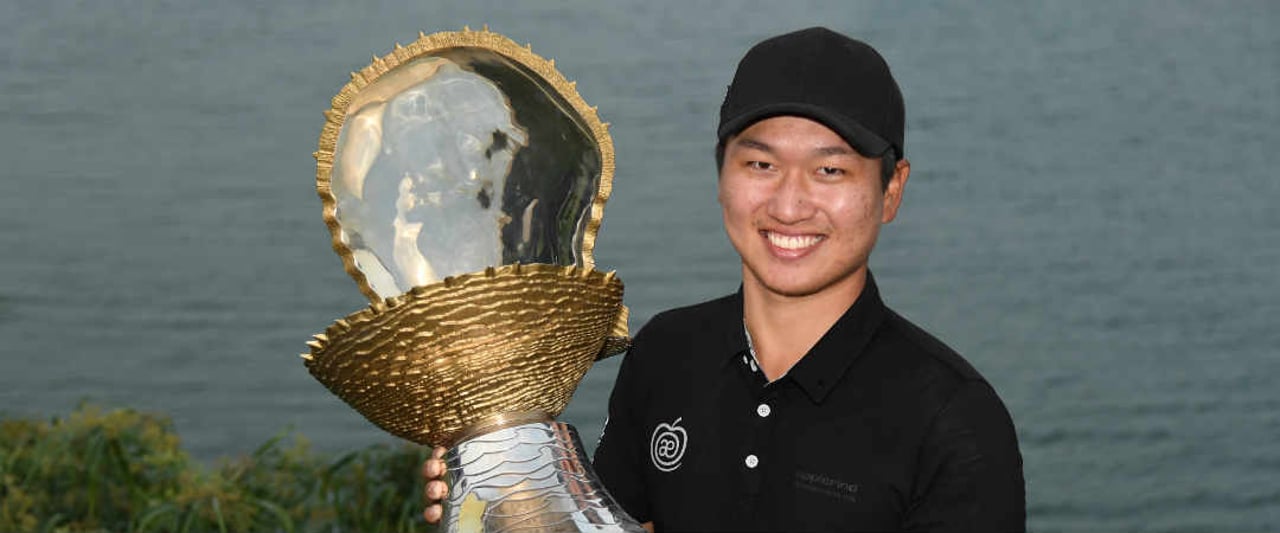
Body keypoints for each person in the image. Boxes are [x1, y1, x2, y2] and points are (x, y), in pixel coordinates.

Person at [423, 26, 1025, 531]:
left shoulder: (954, 422)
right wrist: (505, 496)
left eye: (831, 170)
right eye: (760, 164)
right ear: (721, 178)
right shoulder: (666, 353)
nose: (789, 205)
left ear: (891, 191)